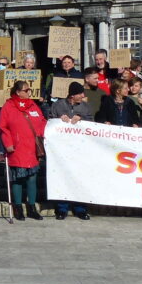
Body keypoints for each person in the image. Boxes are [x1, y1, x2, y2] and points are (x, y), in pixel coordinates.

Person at [0, 80, 45, 222]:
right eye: (27, 90)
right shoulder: (8, 106)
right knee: (18, 179)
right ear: (18, 92)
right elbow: (2, 127)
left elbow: (42, 121)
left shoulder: (33, 105)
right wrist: (8, 143)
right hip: (16, 148)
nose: (29, 92)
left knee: (32, 178)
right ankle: (17, 207)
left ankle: (31, 207)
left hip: (31, 148)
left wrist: (42, 134)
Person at [47, 81, 92, 220]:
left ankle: (80, 208)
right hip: (62, 149)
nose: (83, 95)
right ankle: (62, 208)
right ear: (72, 95)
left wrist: (82, 119)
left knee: (79, 178)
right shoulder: (58, 106)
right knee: (62, 177)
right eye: (80, 93)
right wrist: (58, 120)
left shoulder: (85, 107)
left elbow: (93, 123)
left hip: (80, 149)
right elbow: (49, 120)